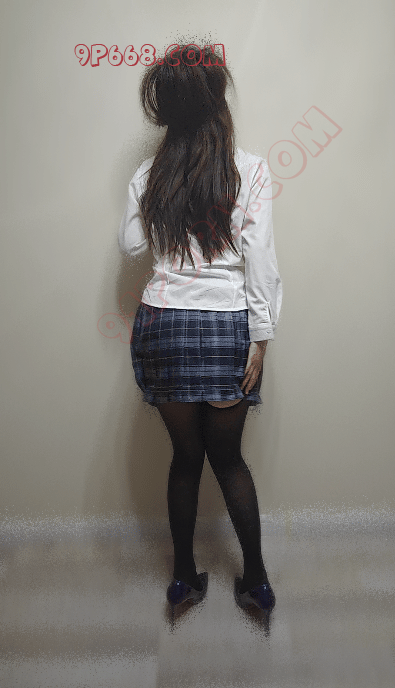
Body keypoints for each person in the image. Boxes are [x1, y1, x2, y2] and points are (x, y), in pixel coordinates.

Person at [118, 44, 282, 612]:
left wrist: (160, 204)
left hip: (164, 323)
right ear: (217, 100)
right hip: (227, 325)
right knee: (229, 460)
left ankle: (183, 580)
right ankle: (256, 582)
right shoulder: (250, 169)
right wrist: (261, 336)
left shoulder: (149, 174)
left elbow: (131, 246)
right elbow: (261, 260)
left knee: (185, 459)